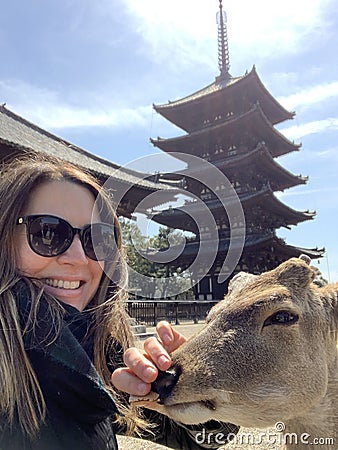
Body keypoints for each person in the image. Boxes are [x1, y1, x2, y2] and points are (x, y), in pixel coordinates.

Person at [0, 152, 238, 449]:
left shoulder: (99, 357)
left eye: (96, 240)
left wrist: (191, 388)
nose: (78, 258)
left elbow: (205, 442)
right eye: (47, 233)